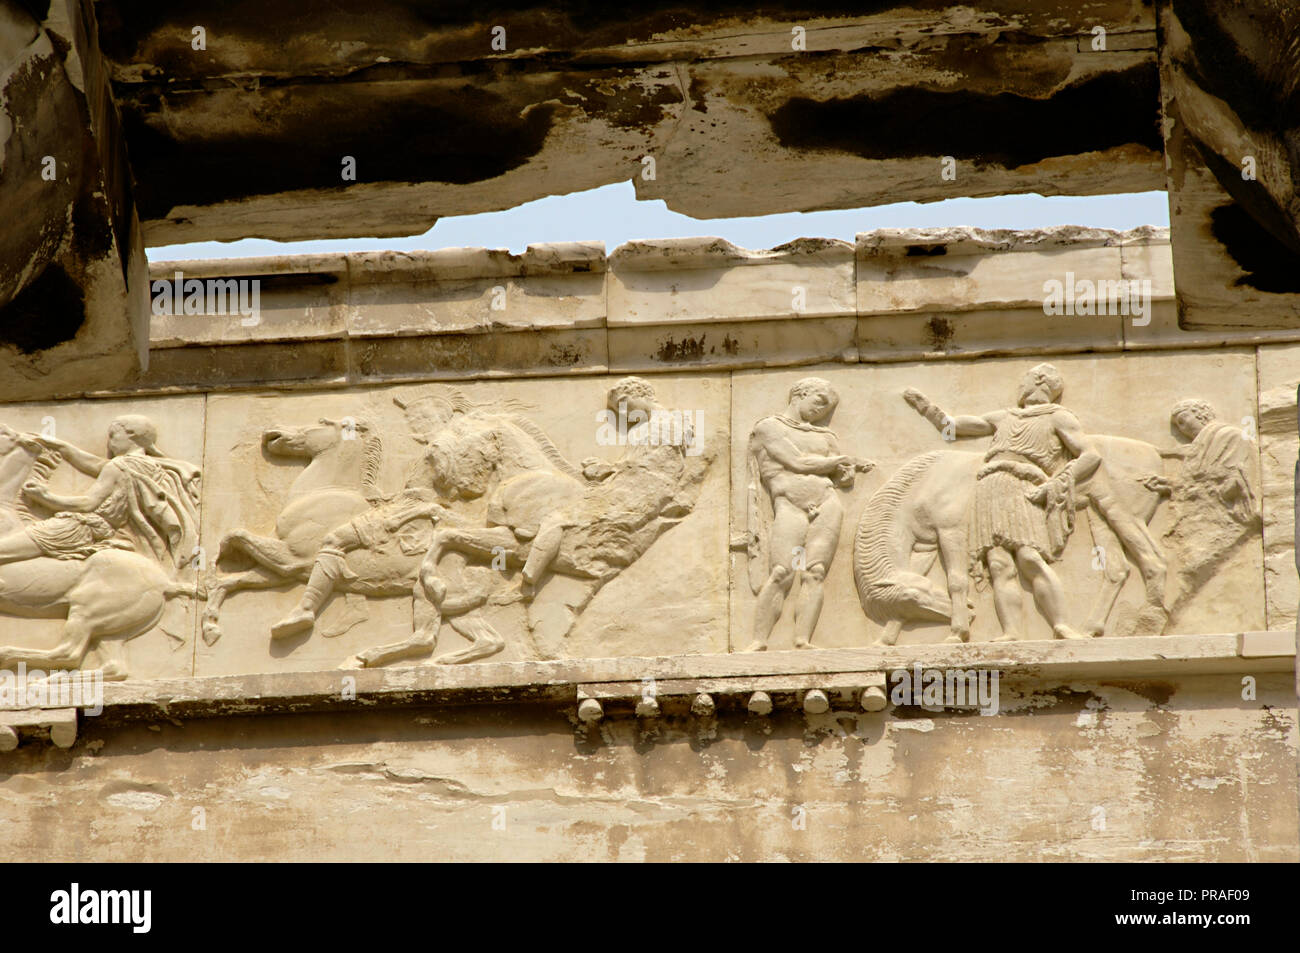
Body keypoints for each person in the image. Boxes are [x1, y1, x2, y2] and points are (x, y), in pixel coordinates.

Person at [903, 364, 1095, 641]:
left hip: (1025, 485)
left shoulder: (1058, 417)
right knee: (998, 563)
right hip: (990, 487)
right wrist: (925, 407)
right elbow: (953, 428)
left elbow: (1090, 455)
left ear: (1039, 381)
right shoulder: (1004, 416)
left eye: (1025, 380)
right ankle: (1011, 632)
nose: (1020, 386)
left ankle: (1061, 625)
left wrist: (1057, 482)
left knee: (1029, 557)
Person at [744, 378, 871, 651]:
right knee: (782, 571)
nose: (822, 411)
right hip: (790, 504)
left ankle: (802, 640)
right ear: (801, 393)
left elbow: (842, 479)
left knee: (814, 572)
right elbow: (796, 462)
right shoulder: (769, 427)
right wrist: (840, 461)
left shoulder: (826, 436)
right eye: (819, 401)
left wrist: (846, 472)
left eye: (827, 408)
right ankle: (759, 641)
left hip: (826, 504)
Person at [0, 415, 200, 571]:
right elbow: (96, 465)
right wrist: (63, 447)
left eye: (113, 436)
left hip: (78, 528)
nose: (110, 443)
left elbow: (88, 504)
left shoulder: (120, 465)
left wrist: (46, 497)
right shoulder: (147, 465)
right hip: (102, 529)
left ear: (131, 435)